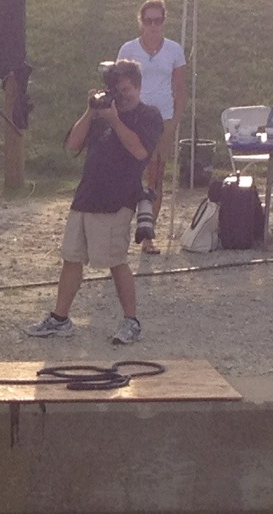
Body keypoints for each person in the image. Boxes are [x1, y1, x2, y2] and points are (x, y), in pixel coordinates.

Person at [25, 60, 162, 345]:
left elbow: (140, 152)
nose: (122, 97)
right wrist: (91, 110)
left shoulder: (148, 115)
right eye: (117, 91)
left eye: (126, 90)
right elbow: (72, 145)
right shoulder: (101, 114)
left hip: (117, 200)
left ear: (138, 87)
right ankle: (60, 318)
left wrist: (115, 120)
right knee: (71, 258)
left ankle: (131, 320)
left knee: (116, 261)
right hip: (86, 196)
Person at [117, 0, 186, 255]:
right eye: (149, 21)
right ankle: (120, 231)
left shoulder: (174, 50)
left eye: (158, 20)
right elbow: (118, 85)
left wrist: (174, 121)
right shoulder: (128, 49)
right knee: (127, 174)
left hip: (162, 119)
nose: (153, 26)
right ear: (141, 22)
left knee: (155, 177)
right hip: (134, 117)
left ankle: (148, 233)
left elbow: (180, 89)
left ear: (164, 22)